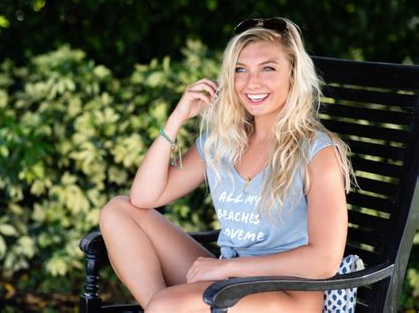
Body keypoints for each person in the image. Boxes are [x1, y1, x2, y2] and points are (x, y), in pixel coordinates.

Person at [99, 17, 353, 312]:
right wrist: (177, 118)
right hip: (230, 278)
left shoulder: (316, 152)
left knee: (169, 305)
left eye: (268, 68)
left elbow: (324, 260)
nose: (251, 82)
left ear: (293, 76)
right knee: (118, 211)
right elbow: (144, 197)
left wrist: (228, 270)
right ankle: (162, 307)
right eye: (240, 70)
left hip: (292, 292)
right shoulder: (224, 142)